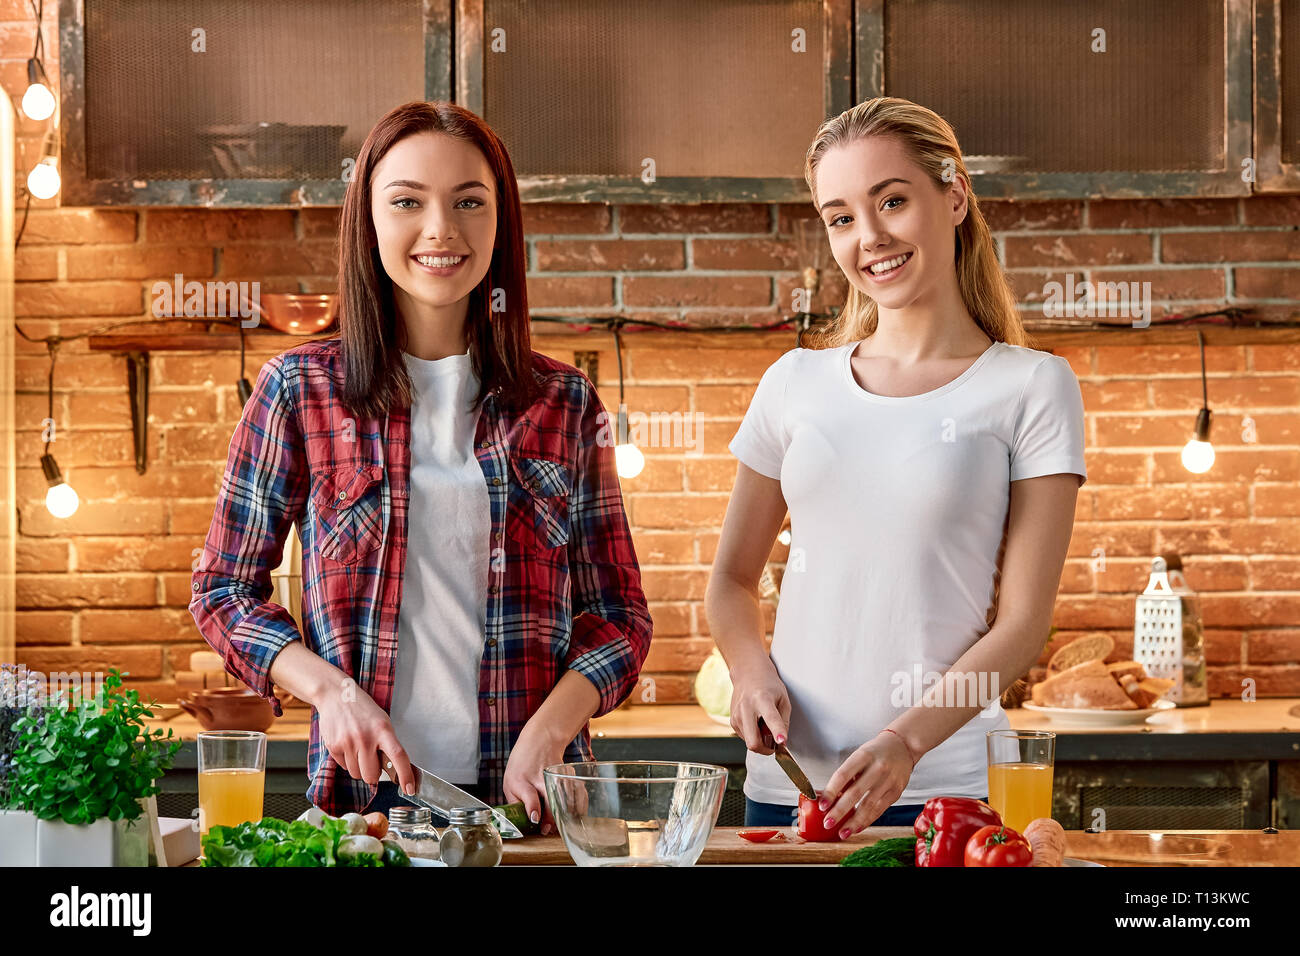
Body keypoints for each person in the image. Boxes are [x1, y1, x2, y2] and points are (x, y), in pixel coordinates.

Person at [190, 102, 653, 832]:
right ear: (367, 220)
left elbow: (621, 618)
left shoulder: (564, 402)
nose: (441, 230)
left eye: (470, 202)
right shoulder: (298, 391)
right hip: (363, 817)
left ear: (500, 221)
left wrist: (553, 727)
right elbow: (222, 590)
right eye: (407, 201)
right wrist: (330, 693)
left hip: (525, 818)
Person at [706, 97, 1087, 835]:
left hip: (948, 790)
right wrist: (751, 671)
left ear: (953, 196)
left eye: (892, 201)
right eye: (841, 217)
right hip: (790, 788)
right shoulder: (794, 382)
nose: (869, 237)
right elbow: (730, 582)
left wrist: (905, 742)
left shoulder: (1031, 386)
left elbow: (1022, 623)